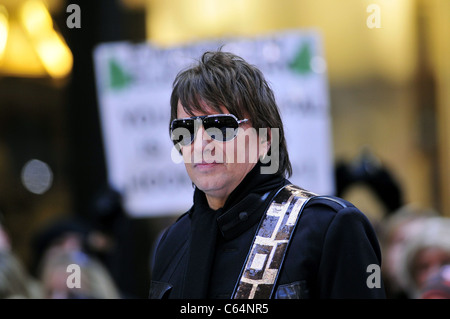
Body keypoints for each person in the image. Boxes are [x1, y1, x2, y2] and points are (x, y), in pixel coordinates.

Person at [149, 50, 386, 299]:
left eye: (219, 126)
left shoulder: (328, 228)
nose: (200, 144)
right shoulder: (172, 241)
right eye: (185, 130)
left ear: (265, 138)